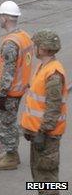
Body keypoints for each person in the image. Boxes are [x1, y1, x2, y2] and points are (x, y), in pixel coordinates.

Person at [20, 29, 67, 195]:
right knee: (39, 176)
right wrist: (30, 129)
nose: (34, 47)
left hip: (47, 135)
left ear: (43, 48)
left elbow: (53, 107)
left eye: (36, 45)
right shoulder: (42, 67)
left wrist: (42, 131)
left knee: (47, 179)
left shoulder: (53, 73)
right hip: (39, 132)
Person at [0, 1, 34, 170]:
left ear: (6, 18)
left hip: (10, 91)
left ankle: (11, 156)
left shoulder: (10, 43)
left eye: (0, 16)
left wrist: (2, 94)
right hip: (20, 88)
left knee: (6, 124)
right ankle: (11, 152)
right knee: (10, 122)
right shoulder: (24, 36)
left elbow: (8, 70)